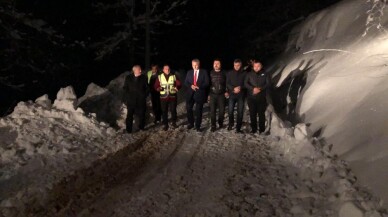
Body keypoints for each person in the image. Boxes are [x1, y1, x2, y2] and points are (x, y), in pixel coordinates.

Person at [244, 61, 269, 134]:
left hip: (261, 97)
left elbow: (268, 84)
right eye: (255, 66)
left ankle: (262, 129)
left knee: (261, 114)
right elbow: (245, 83)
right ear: (253, 67)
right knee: (252, 114)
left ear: (261, 66)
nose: (256, 68)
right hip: (251, 98)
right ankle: (254, 129)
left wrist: (260, 89)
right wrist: (253, 88)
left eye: (258, 66)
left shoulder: (265, 74)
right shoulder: (249, 74)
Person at [154, 64, 182, 130]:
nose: (167, 70)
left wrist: (177, 87)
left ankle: (174, 122)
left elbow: (179, 84)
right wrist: (158, 88)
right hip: (163, 97)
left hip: (172, 96)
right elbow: (155, 86)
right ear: (163, 70)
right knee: (164, 111)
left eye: (168, 69)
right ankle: (165, 124)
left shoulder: (174, 76)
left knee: (173, 110)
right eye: (166, 69)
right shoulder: (160, 77)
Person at [185, 59, 209, 132]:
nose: (195, 66)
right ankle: (191, 123)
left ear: (199, 64)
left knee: (198, 111)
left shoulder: (204, 72)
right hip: (190, 94)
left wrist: (199, 86)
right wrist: (191, 86)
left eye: (196, 65)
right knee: (189, 109)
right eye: (193, 65)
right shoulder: (189, 72)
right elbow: (186, 82)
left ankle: (198, 126)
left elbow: (207, 83)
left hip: (200, 93)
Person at [122, 65, 148, 133]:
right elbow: (125, 87)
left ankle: (141, 127)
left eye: (140, 69)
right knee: (129, 115)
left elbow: (147, 88)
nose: (140, 70)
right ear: (134, 70)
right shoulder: (128, 77)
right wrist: (128, 95)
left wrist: (144, 95)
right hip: (131, 100)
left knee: (142, 114)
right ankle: (128, 130)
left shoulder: (144, 77)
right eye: (139, 69)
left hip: (141, 100)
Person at [226, 59, 247, 133]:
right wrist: (233, 88)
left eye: (238, 65)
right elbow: (227, 83)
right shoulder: (230, 73)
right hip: (232, 95)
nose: (236, 67)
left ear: (241, 65)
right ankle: (231, 124)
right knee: (230, 111)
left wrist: (240, 87)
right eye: (235, 65)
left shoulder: (245, 73)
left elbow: (246, 84)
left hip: (241, 95)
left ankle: (238, 128)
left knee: (240, 112)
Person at [209, 59, 228, 132]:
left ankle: (220, 122)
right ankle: (213, 125)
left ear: (220, 65)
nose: (216, 65)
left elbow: (227, 83)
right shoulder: (210, 73)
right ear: (213, 65)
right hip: (213, 94)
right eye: (215, 64)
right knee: (212, 111)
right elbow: (208, 84)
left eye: (218, 63)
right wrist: (208, 94)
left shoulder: (224, 73)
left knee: (222, 111)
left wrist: (226, 91)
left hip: (221, 94)